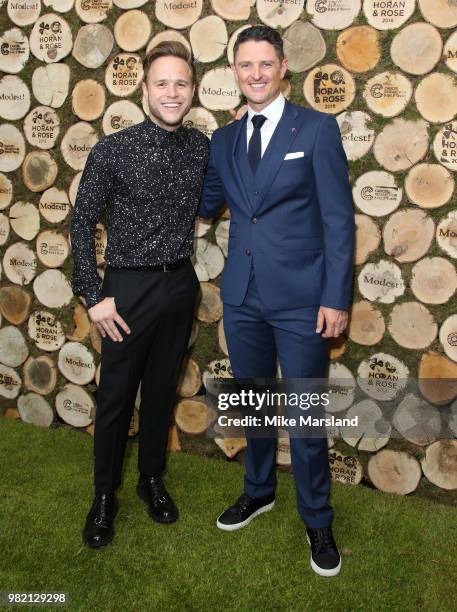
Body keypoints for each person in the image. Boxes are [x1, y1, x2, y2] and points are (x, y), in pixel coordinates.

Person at [199, 26, 355, 577]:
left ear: (284, 67)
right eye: (246, 65)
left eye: (266, 64)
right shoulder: (225, 139)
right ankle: (259, 490)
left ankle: (317, 517)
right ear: (235, 71)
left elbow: (338, 219)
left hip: (302, 299)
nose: (256, 74)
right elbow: (208, 200)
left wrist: (336, 296)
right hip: (241, 295)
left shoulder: (315, 128)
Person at [70, 41, 209, 549]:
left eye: (181, 82)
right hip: (125, 290)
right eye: (162, 83)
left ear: (192, 90)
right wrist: (93, 295)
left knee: (160, 394)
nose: (171, 92)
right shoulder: (113, 149)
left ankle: (152, 480)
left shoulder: (200, 147)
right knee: (115, 400)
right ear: (145, 89)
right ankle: (103, 498)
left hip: (180, 285)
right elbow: (80, 224)